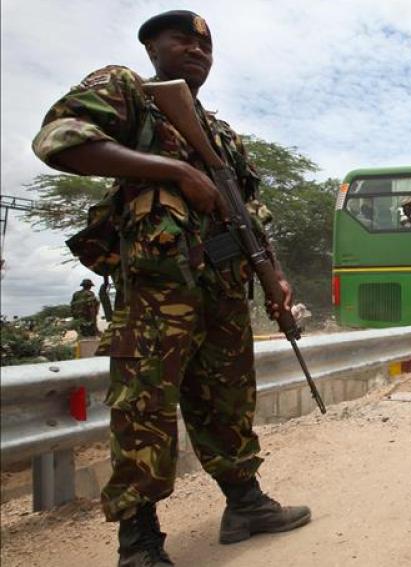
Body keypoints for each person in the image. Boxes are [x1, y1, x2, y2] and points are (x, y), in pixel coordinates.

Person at [32, 11, 310, 565]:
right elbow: (59, 140)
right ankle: (139, 541)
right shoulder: (128, 91)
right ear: (152, 47)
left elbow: (252, 215)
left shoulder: (223, 135)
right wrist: (174, 172)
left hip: (225, 292)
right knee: (145, 410)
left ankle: (245, 504)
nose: (196, 51)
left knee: (229, 404)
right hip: (160, 292)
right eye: (181, 40)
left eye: (205, 46)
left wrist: (275, 279)